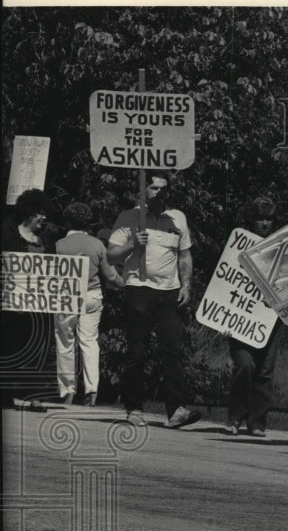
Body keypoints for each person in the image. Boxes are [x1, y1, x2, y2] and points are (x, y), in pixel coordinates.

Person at [107, 174, 201, 429]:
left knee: (172, 348)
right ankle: (134, 408)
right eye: (153, 187)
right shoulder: (128, 217)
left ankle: (176, 410)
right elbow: (111, 254)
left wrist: (186, 285)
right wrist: (131, 244)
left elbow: (185, 254)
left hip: (169, 291)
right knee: (137, 350)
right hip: (139, 288)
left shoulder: (177, 217)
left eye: (164, 188)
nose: (159, 192)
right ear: (143, 190)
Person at [53, 202, 124, 406]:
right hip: (92, 295)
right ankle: (92, 391)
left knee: (65, 343)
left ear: (67, 221)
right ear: (88, 222)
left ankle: (67, 391)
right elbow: (111, 276)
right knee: (89, 342)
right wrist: (126, 285)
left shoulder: (59, 245)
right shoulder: (97, 245)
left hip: (66, 295)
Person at [225, 196, 283, 437]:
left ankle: (257, 422)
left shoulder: (281, 248)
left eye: (269, 219)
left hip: (270, 317)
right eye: (260, 219)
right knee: (245, 365)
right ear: (251, 221)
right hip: (241, 315)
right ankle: (235, 417)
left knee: (265, 370)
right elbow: (225, 282)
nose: (265, 224)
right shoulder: (237, 246)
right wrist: (222, 318)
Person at [1, 189, 56, 409]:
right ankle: (5, 395)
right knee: (8, 347)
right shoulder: (6, 234)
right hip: (9, 304)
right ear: (29, 212)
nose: (44, 217)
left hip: (37, 306)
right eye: (40, 212)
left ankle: (34, 395)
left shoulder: (46, 240)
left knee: (38, 349)